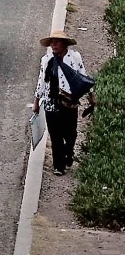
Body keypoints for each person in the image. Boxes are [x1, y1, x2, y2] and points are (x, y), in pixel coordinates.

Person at [33, 30, 96, 176]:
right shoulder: (46, 60)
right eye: (52, 42)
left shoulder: (74, 58)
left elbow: (83, 76)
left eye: (57, 42)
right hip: (51, 102)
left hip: (69, 102)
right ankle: (58, 166)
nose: (53, 45)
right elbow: (41, 82)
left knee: (70, 133)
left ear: (64, 44)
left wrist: (91, 95)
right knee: (55, 135)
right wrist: (36, 102)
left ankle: (68, 152)